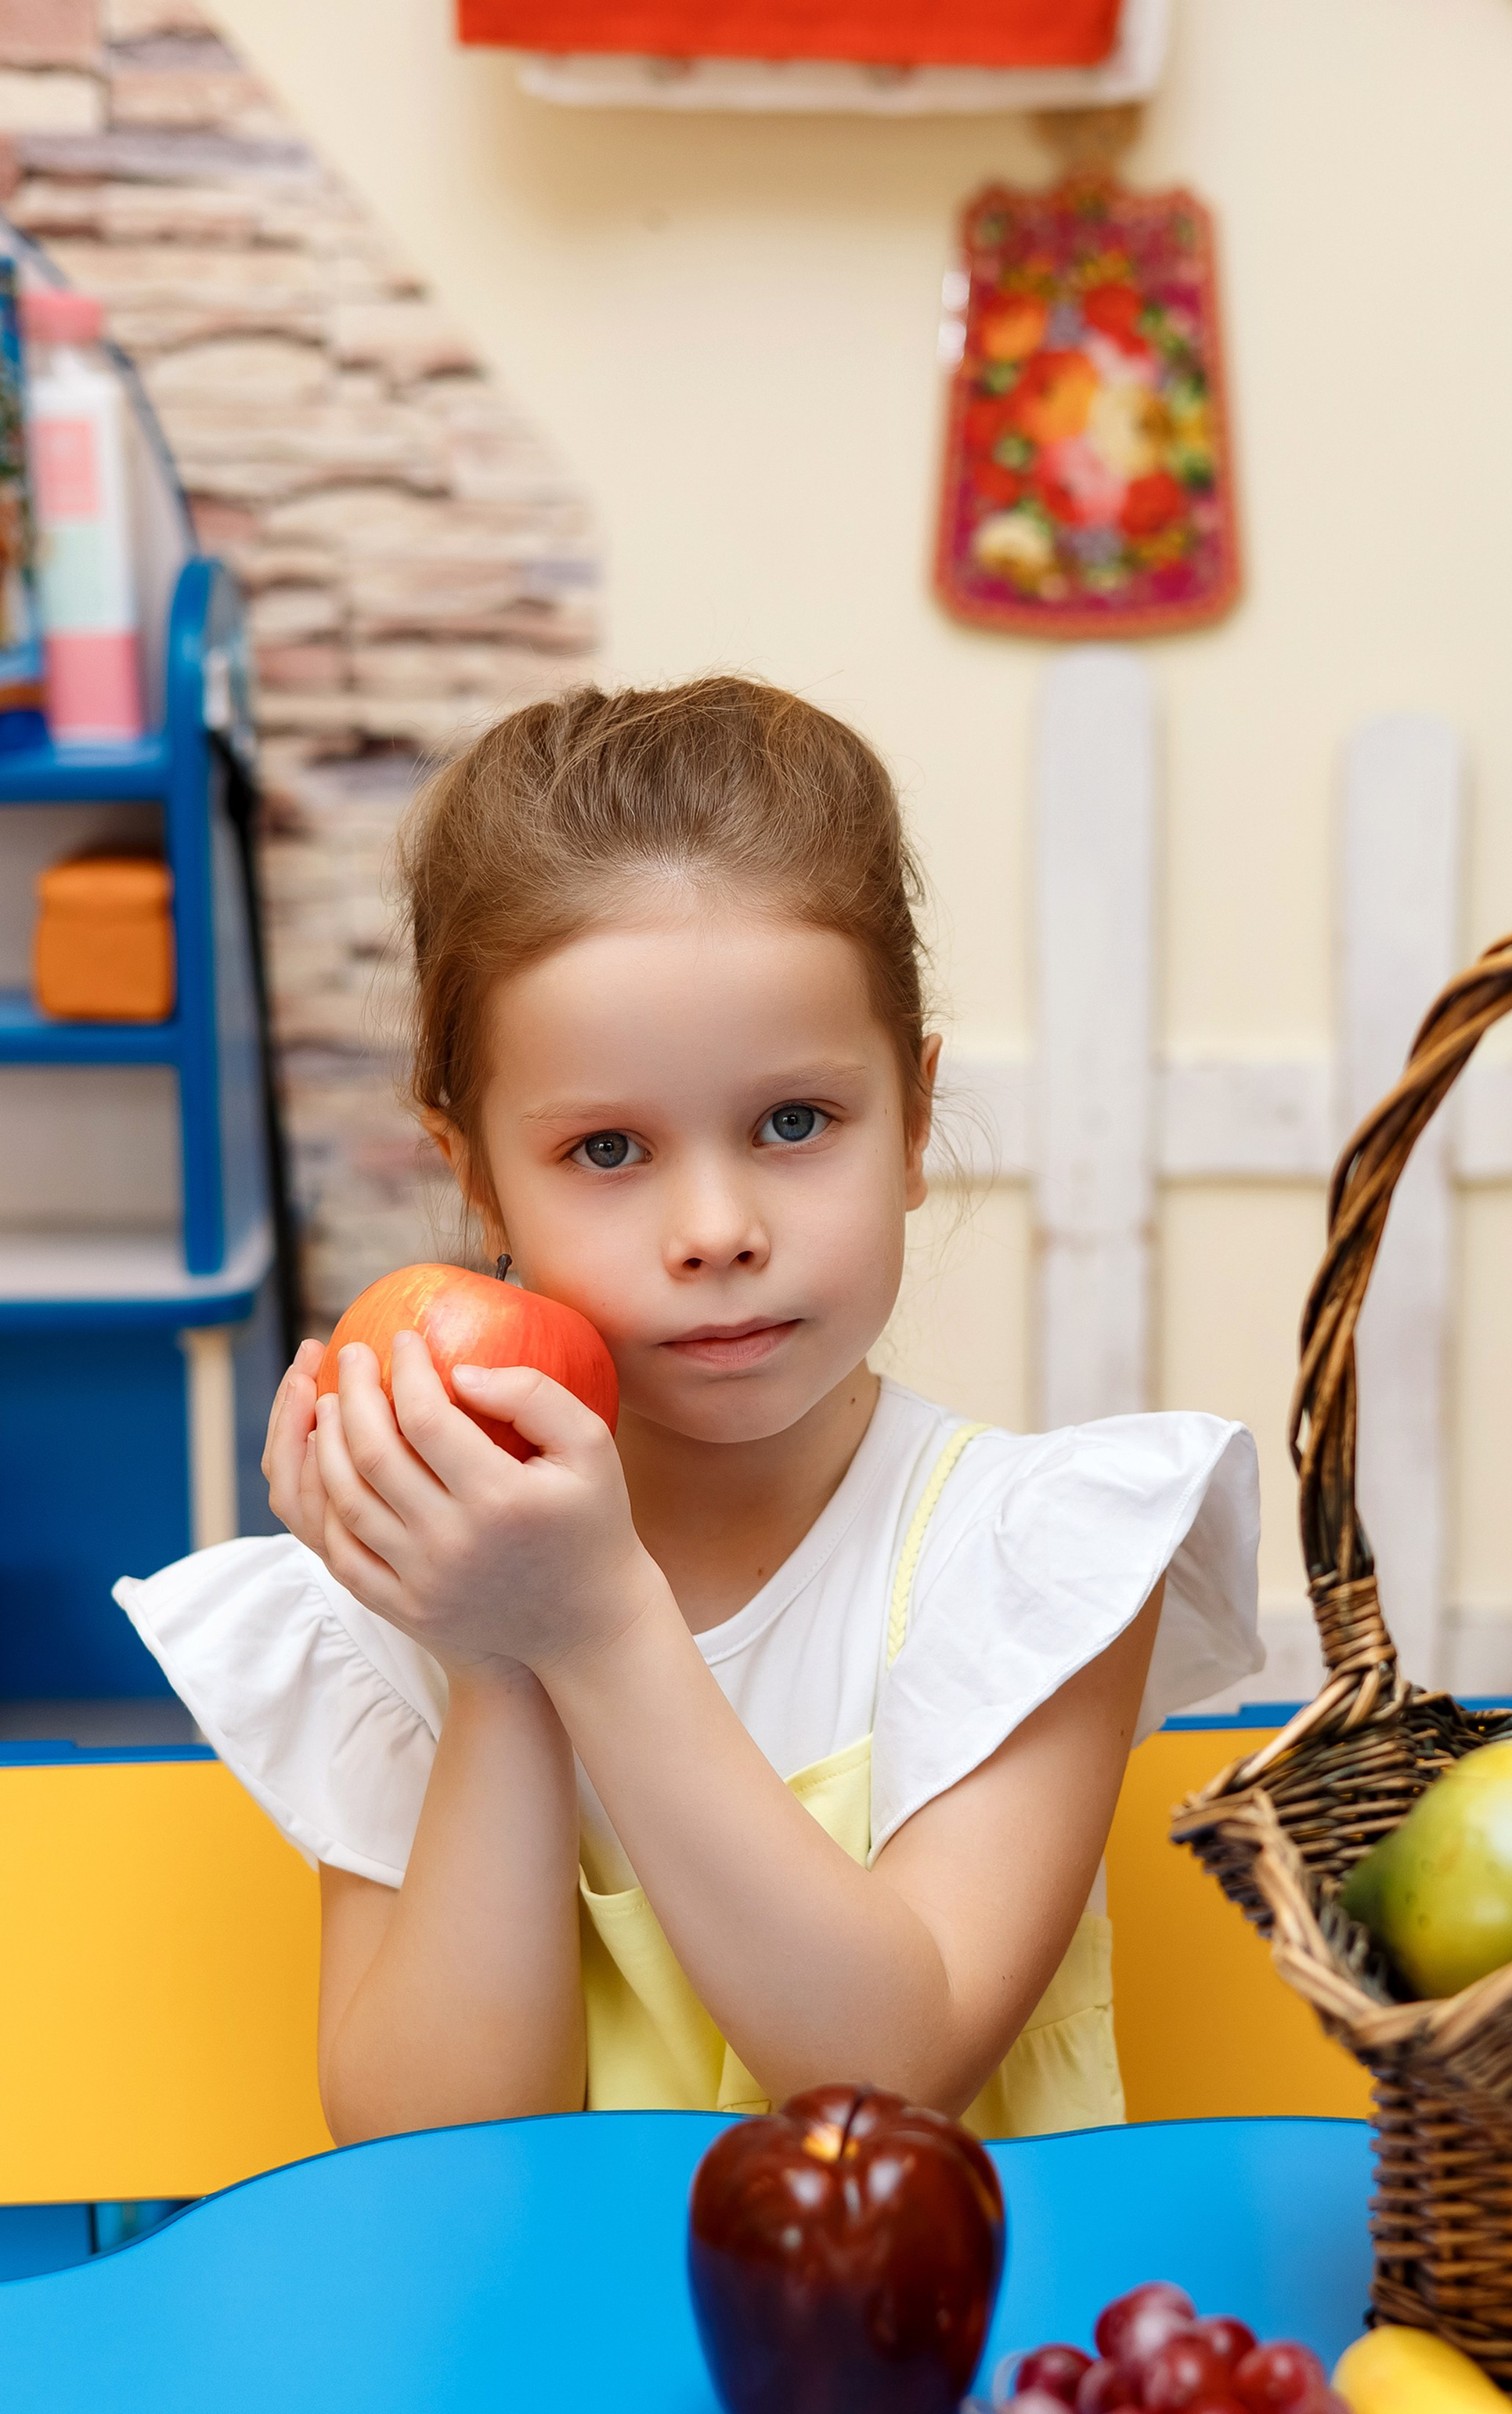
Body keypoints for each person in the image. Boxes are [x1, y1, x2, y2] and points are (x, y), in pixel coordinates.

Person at [118, 679, 1260, 2144]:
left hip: (942, 2360)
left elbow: (887, 2077)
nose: (715, 1227)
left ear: (912, 1120)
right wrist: (500, 1659)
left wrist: (596, 1625)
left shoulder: (1035, 1557)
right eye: (607, 1147)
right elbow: (431, 2153)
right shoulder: (415, 1598)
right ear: (473, 1174)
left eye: (795, 1123)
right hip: (550, 2359)